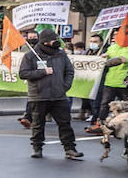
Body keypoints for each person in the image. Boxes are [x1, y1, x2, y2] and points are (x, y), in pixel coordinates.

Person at [20, 28, 82, 160]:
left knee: (65, 123)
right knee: (38, 124)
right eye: (54, 39)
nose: (57, 41)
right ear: (45, 42)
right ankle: (37, 148)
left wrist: (65, 86)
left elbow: (69, 71)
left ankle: (70, 149)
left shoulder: (61, 54)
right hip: (39, 96)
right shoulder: (30, 55)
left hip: (58, 96)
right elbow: (23, 73)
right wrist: (43, 72)